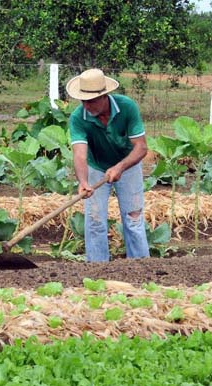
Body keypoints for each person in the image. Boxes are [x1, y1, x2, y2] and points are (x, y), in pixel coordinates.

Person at [66, 68, 150, 262]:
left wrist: (120, 167)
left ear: (105, 96)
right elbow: (79, 154)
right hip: (96, 167)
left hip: (128, 165)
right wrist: (83, 181)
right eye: (83, 101)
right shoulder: (78, 118)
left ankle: (141, 266)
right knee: (94, 221)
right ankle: (97, 269)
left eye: (91, 101)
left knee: (133, 218)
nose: (86, 105)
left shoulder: (127, 107)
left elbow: (142, 148)